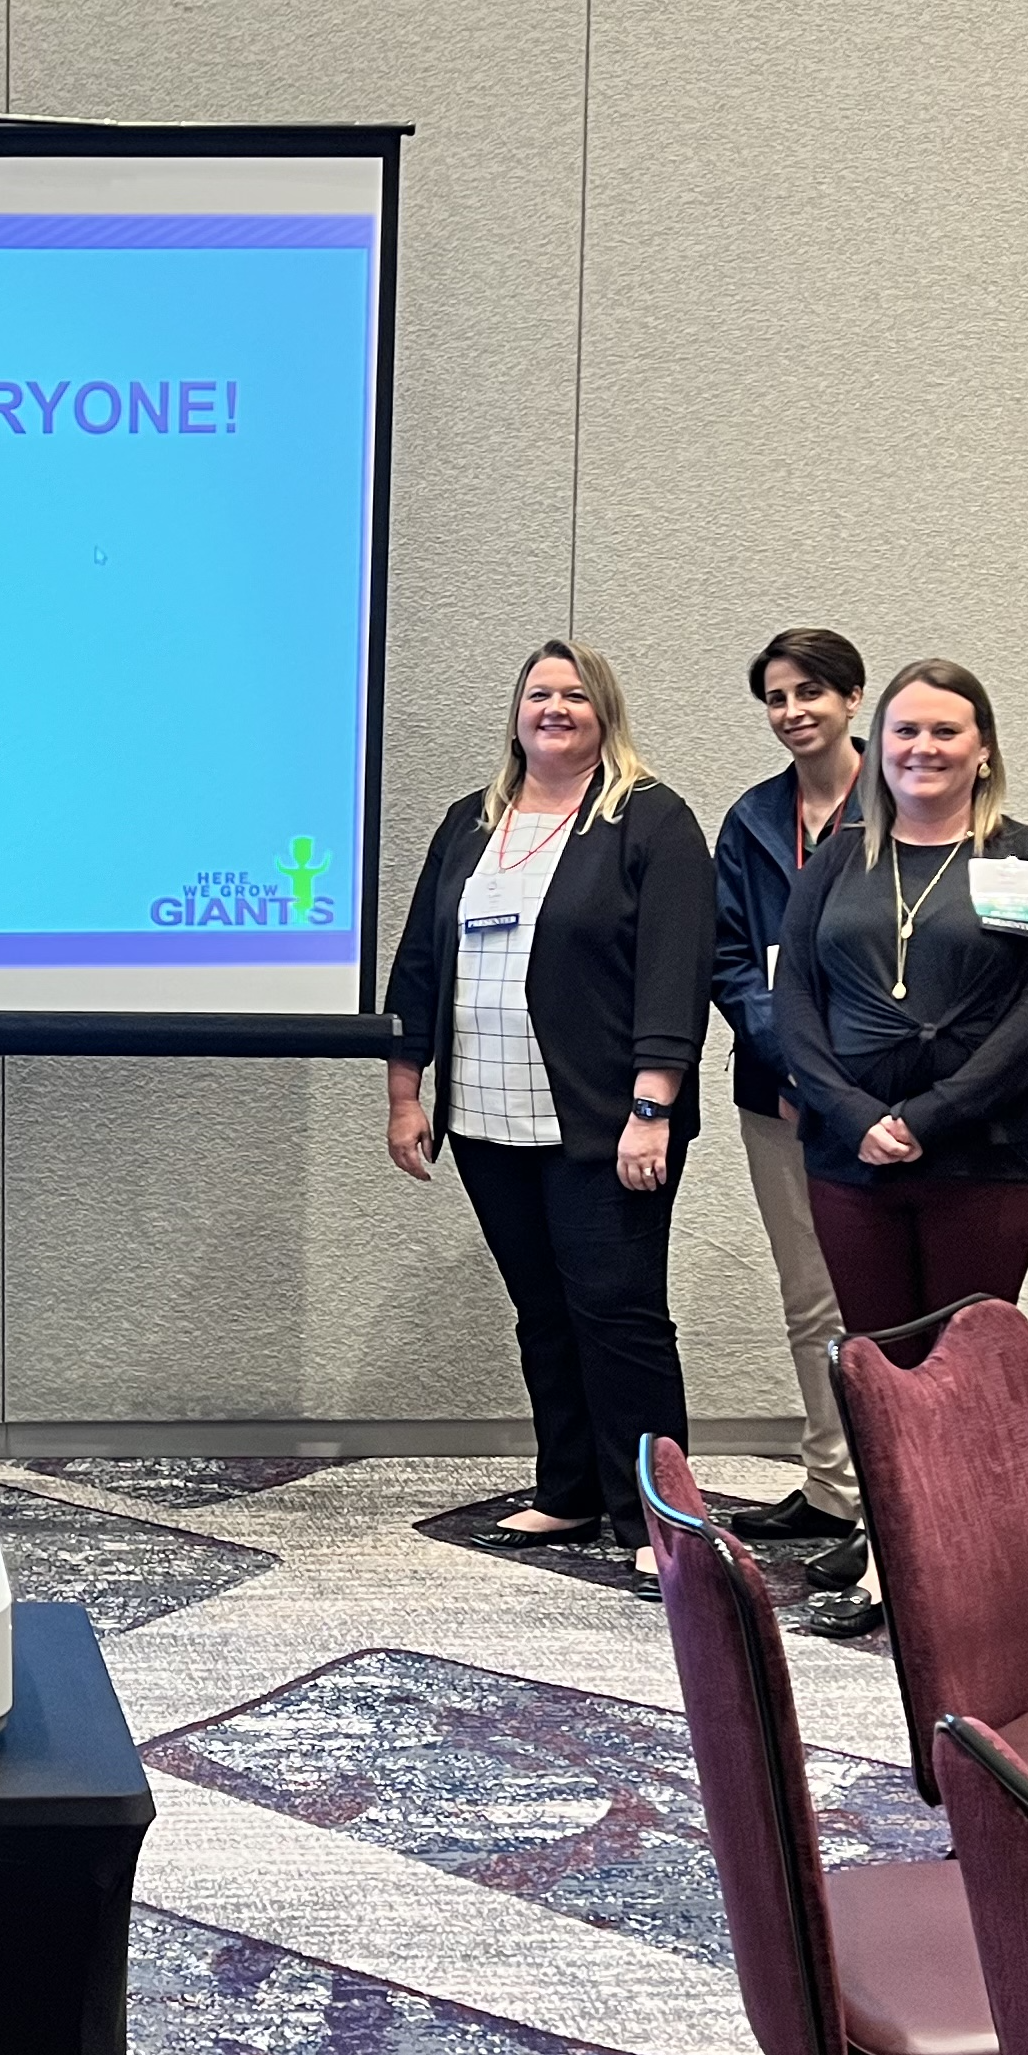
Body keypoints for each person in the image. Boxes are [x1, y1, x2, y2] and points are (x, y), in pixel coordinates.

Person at [385, 639, 710, 1580]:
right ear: (516, 712)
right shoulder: (468, 822)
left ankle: (660, 1518)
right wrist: (407, 1094)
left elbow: (673, 974)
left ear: (604, 712)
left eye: (574, 694)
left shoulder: (649, 822)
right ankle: (570, 1491)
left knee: (621, 1315)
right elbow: (418, 965)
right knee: (544, 1311)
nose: (554, 708)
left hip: (606, 1122)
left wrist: (653, 1105)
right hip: (487, 1120)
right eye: (539, 693)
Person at [772, 650, 1028, 1364]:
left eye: (946, 732)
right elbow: (794, 998)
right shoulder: (837, 861)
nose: (923, 749)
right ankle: (890, 1486)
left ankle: (969, 1486)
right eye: (905, 731)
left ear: (983, 751)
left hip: (985, 1154)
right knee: (880, 1369)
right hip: (851, 1158)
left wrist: (927, 1116)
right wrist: (852, 1115)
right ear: (878, 745)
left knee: (964, 1369)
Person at [708, 628, 873, 1582]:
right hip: (777, 1091)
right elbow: (733, 960)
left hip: (884, 1098)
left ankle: (878, 1495)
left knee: (875, 1299)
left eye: (810, 691)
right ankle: (827, 1484)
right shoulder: (753, 819)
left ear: (853, 697)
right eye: (775, 696)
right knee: (809, 1292)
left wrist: (847, 1082)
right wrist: (795, 1063)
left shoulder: (902, 803)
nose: (793, 711)